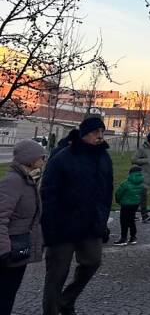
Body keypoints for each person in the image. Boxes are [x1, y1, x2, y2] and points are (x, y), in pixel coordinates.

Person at [41, 116, 113, 315]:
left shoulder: (104, 157)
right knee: (56, 275)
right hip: (62, 226)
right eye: (95, 132)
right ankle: (51, 311)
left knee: (93, 261)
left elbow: (107, 191)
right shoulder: (63, 156)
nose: (99, 136)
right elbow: (48, 192)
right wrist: (49, 226)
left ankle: (67, 299)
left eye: (102, 131)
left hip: (91, 224)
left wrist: (102, 219)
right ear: (84, 133)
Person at [0, 140, 45, 315]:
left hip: (19, 249)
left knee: (9, 294)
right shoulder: (13, 182)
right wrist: (4, 251)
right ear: (29, 159)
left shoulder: (28, 181)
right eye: (41, 158)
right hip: (9, 251)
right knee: (4, 295)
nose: (43, 162)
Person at [130, 131, 150, 224]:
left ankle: (132, 214)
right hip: (141, 176)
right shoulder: (142, 149)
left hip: (149, 176)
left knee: (139, 198)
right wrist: (146, 160)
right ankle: (144, 216)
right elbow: (133, 159)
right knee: (143, 197)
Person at [113, 166, 145, 246]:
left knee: (124, 221)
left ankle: (123, 238)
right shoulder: (141, 184)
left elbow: (118, 194)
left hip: (125, 205)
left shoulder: (125, 184)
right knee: (131, 220)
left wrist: (118, 201)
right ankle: (133, 237)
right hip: (135, 204)